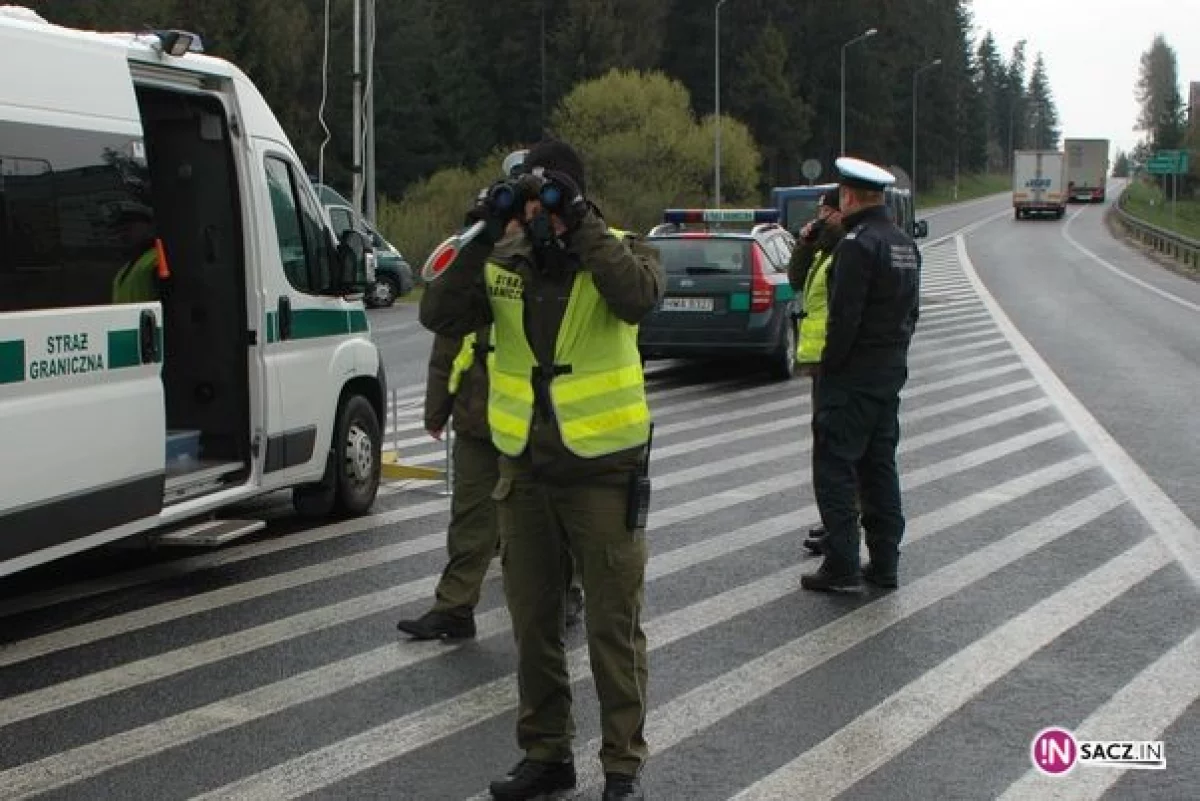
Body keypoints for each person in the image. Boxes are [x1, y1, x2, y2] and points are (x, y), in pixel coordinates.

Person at [419, 137, 664, 801]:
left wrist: (579, 223)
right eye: (529, 204)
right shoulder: (503, 258)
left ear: (576, 196)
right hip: (523, 469)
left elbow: (639, 298)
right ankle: (547, 751)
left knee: (613, 624)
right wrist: (481, 233)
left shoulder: (621, 247)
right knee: (533, 622)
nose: (538, 216)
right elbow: (437, 311)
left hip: (602, 473)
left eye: (548, 201)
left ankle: (622, 764)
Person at [801, 157, 920, 593]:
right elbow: (913, 313)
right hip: (889, 374)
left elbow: (844, 318)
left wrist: (831, 369)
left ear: (849, 196)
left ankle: (843, 565)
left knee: (834, 468)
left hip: (851, 379)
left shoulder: (856, 244)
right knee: (879, 469)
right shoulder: (904, 243)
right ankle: (885, 563)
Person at [395, 325, 501, 640]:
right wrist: (436, 410)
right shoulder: (470, 279)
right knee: (469, 520)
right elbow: (447, 341)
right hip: (479, 419)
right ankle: (454, 608)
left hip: (541, 423)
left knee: (546, 519)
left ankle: (566, 593)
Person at [786, 191, 846, 557]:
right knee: (824, 448)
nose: (820, 217)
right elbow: (795, 280)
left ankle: (841, 528)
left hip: (836, 362)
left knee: (836, 452)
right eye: (819, 210)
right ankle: (832, 521)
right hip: (819, 363)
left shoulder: (846, 249)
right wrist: (805, 243)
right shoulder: (823, 250)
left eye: (827, 210)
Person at [110, 202, 163, 303]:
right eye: (118, 231)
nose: (122, 236)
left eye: (128, 229)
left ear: (150, 227)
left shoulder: (158, 259)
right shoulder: (125, 269)